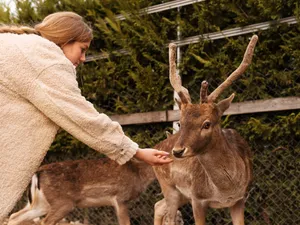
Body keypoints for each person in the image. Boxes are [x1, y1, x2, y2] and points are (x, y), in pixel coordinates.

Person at [0, 11, 173, 221]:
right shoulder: (47, 60)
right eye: (82, 50)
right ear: (64, 39)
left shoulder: (18, 46)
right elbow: (82, 117)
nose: (83, 59)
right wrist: (134, 151)